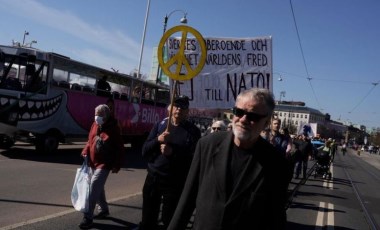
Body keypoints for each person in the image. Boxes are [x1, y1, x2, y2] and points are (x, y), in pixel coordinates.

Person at [168, 88, 290, 230]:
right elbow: (187, 200)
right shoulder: (207, 145)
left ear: (266, 122)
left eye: (253, 116)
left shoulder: (276, 164)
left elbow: (275, 219)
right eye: (239, 112)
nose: (243, 119)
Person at [138, 95, 201, 230]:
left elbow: (194, 159)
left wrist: (172, 153)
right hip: (153, 179)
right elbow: (145, 151)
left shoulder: (193, 131)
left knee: (170, 220)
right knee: (148, 218)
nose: (179, 109)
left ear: (187, 112)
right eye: (176, 106)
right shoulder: (160, 125)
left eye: (183, 107)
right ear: (170, 108)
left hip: (174, 182)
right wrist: (158, 140)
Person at [78, 104, 125, 229]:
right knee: (98, 187)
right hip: (93, 162)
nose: (97, 117)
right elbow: (90, 140)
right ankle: (104, 210)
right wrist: (85, 150)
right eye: (96, 114)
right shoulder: (95, 125)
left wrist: (117, 165)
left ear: (107, 115)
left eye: (100, 115)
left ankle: (88, 217)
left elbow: (120, 148)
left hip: (105, 164)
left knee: (94, 187)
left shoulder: (114, 128)